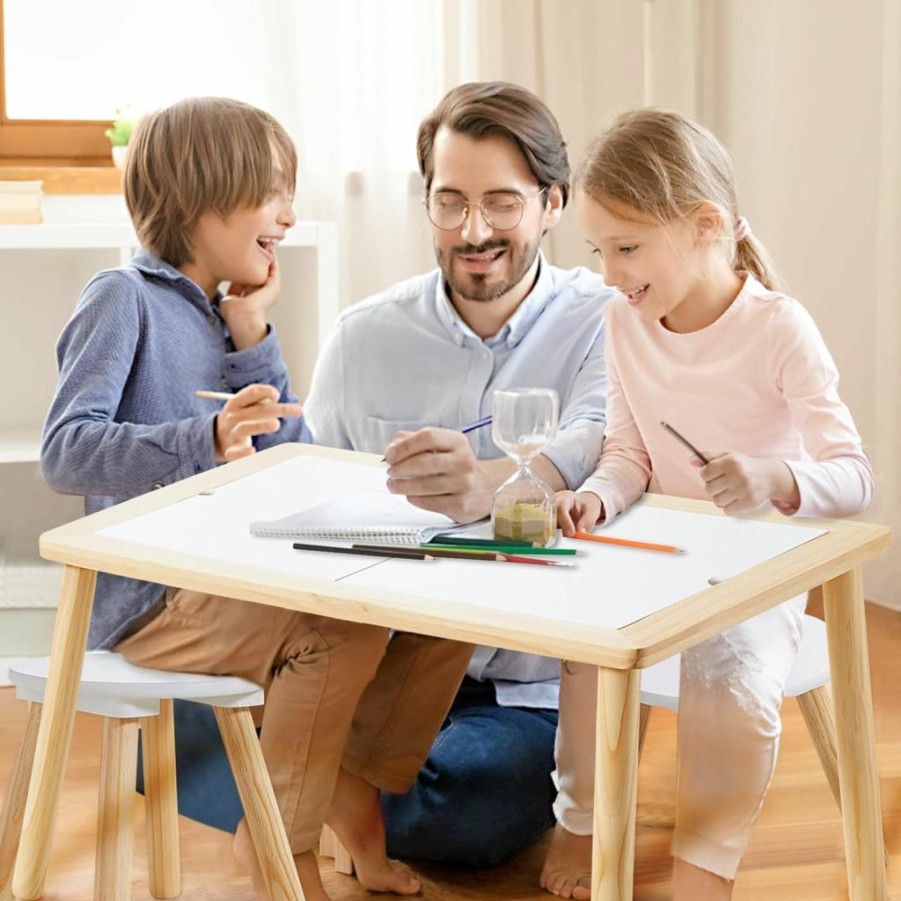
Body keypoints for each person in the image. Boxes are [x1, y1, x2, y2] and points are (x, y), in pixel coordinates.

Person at [40, 96, 474, 901]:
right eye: (273, 191)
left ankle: (354, 790)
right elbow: (66, 452)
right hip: (149, 603)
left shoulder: (221, 310)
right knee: (334, 629)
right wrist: (198, 439)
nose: (289, 213)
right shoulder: (121, 297)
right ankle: (280, 843)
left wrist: (251, 334)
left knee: (438, 595)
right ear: (204, 197)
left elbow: (278, 458)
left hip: (228, 582)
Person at [544, 108, 874, 900]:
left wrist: (772, 477)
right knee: (583, 645)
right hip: (661, 555)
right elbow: (627, 453)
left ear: (704, 226)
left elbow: (853, 475)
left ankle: (704, 865)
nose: (608, 270)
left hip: (755, 564)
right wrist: (595, 494)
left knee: (726, 675)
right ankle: (578, 821)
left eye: (625, 248)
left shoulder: (778, 329)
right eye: (598, 250)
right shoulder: (621, 321)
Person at [303, 80, 616, 865]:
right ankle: (336, 782)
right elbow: (306, 497)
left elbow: (600, 435)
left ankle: (329, 795)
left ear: (552, 204)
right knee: (183, 725)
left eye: (501, 203)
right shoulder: (361, 339)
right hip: (375, 667)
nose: (473, 231)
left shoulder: (610, 320)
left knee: (460, 807)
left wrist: (493, 482)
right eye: (450, 202)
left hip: (522, 690)